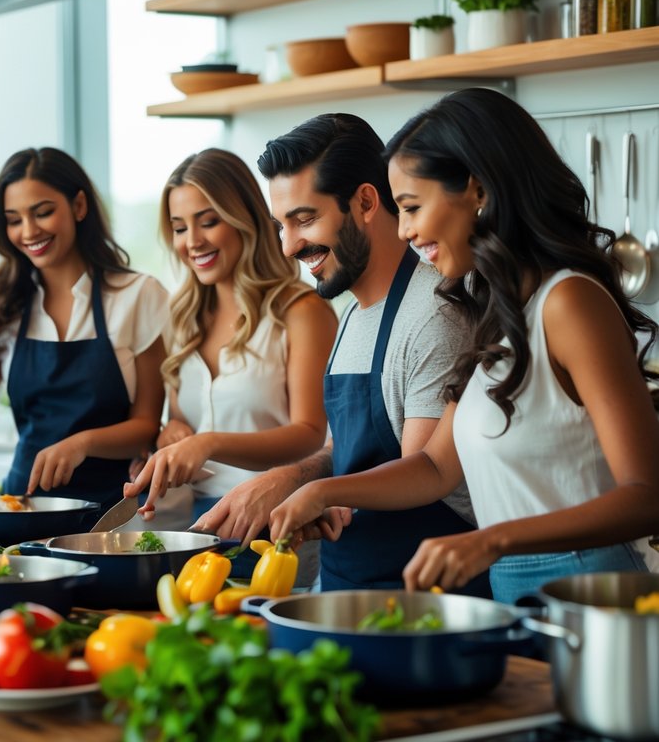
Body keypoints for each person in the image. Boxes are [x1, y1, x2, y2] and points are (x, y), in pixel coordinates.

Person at [270, 90, 659, 602]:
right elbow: (434, 468)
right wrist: (320, 491)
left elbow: (646, 496)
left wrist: (491, 540)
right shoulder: (491, 310)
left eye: (410, 207)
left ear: (477, 190)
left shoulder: (568, 303)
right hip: (512, 591)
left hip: (593, 586)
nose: (404, 230)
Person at [196, 114, 489, 596]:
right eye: (281, 225)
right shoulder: (353, 312)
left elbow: (420, 475)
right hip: (344, 584)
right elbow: (345, 453)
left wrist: (318, 494)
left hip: (420, 600)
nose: (289, 246)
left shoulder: (436, 313)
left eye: (305, 219)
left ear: (366, 201)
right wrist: (288, 480)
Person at [0, 148, 167, 518]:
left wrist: (81, 443)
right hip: (23, 509)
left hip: (112, 514)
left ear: (79, 206)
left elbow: (145, 427)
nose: (29, 231)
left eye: (43, 212)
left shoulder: (137, 296)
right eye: (14, 219)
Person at [123, 149, 335, 543]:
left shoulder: (301, 311)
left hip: (272, 521)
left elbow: (309, 432)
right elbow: (180, 421)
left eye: (208, 221)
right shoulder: (180, 315)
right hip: (189, 525)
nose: (193, 241)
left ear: (245, 220)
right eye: (180, 227)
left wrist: (208, 443)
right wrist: (174, 434)